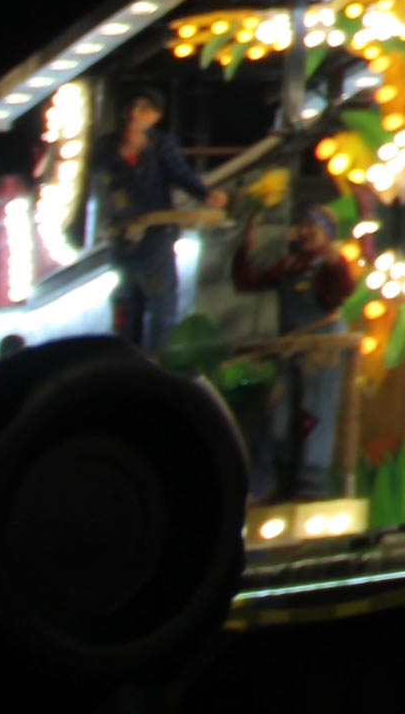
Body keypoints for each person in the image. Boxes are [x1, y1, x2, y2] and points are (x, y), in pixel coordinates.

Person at [231, 211, 360, 502]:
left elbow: (340, 292)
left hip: (321, 348)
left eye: (312, 227)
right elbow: (249, 281)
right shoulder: (290, 265)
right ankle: (282, 479)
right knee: (281, 414)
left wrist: (334, 263)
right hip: (291, 347)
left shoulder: (328, 264)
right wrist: (245, 249)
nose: (305, 232)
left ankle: (311, 482)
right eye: (302, 226)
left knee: (315, 410)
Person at [94, 90, 223, 354]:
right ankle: (125, 357)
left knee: (161, 306)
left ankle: (157, 361)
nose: (134, 114)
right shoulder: (106, 146)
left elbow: (181, 173)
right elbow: (101, 180)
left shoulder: (160, 145)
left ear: (155, 116)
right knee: (125, 305)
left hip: (156, 237)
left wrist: (205, 194)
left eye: (144, 109)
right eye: (132, 107)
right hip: (123, 239)